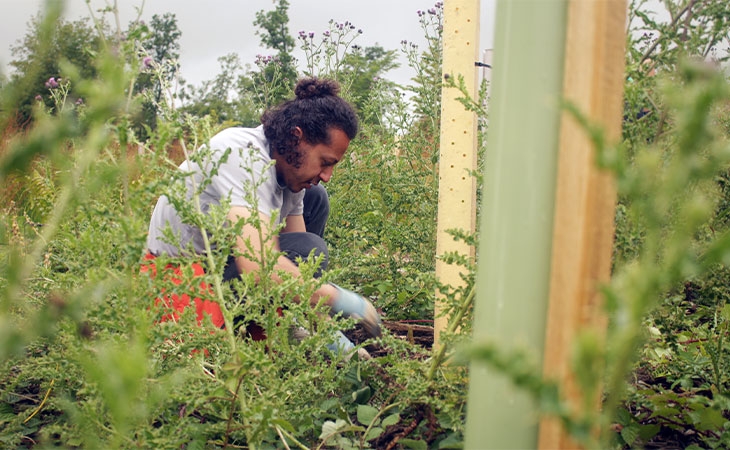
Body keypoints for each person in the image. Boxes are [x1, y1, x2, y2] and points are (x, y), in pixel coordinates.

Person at [144, 77, 380, 356]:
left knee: (316, 201)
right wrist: (340, 299)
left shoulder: (290, 167)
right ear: (297, 138)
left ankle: (288, 321)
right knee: (309, 250)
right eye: (325, 162)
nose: (327, 175)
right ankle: (262, 325)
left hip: (227, 264)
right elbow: (259, 270)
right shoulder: (241, 155)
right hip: (188, 282)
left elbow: (301, 258)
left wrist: (329, 336)